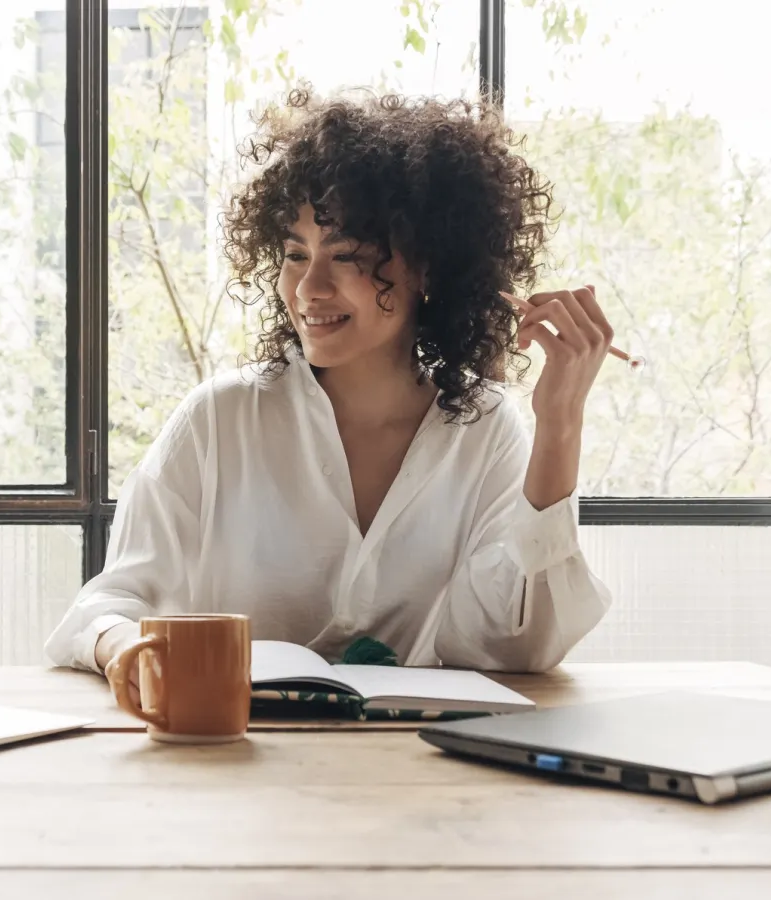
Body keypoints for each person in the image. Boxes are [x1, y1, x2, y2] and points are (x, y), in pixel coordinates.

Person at [45, 88, 613, 695]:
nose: (309, 288)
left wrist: (561, 424)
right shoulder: (221, 419)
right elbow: (108, 604)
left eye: (347, 257)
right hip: (233, 769)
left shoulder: (486, 429)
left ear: (429, 269)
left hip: (416, 771)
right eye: (295, 254)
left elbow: (515, 648)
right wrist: (128, 648)